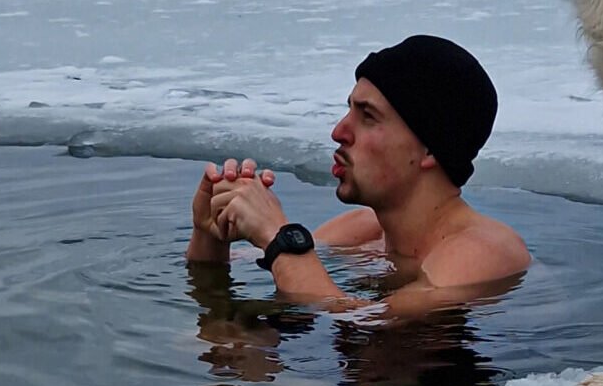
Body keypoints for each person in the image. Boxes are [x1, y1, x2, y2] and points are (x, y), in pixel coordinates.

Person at [185, 35, 530, 317]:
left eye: (368, 116)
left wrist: (280, 237)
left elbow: (367, 322)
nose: (338, 131)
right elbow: (254, 270)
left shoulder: (484, 250)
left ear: (429, 150)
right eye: (348, 109)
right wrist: (212, 232)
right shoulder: (362, 231)